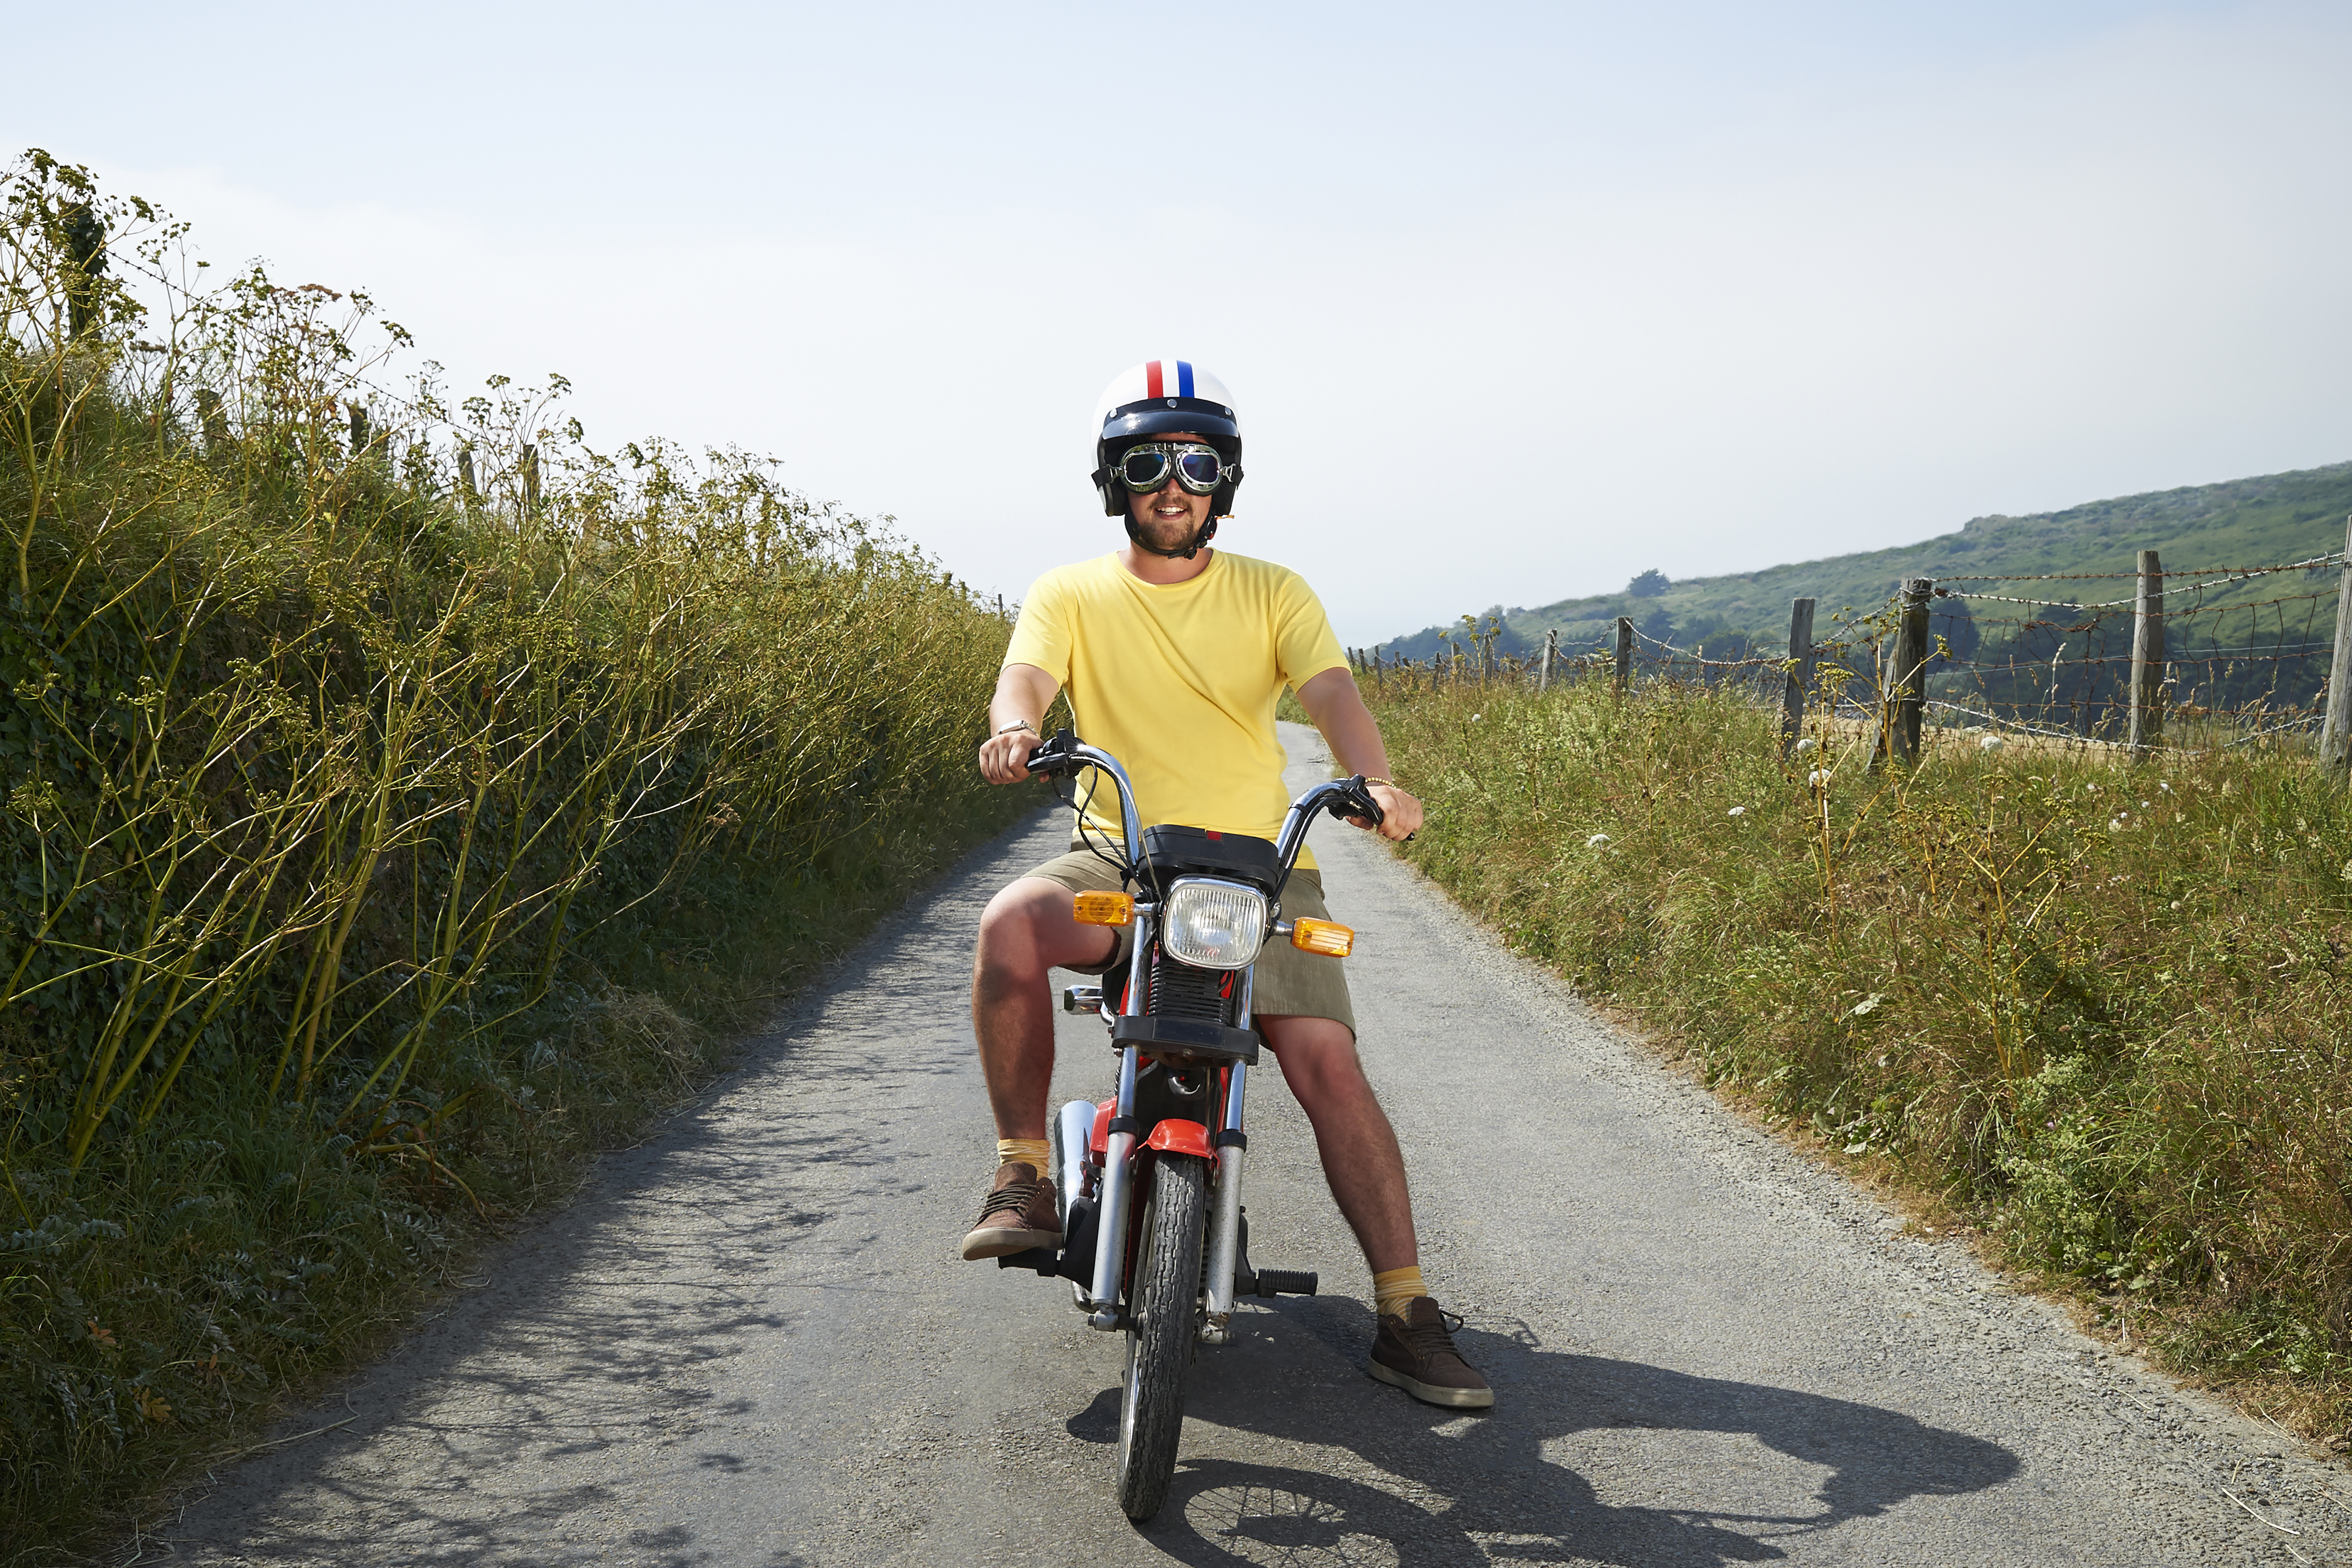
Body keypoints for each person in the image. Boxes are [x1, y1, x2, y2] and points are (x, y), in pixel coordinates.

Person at [958, 361, 1491, 1411]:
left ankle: (1405, 1307)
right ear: (1117, 479)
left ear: (1223, 481)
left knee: (1323, 1058)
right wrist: (1014, 726)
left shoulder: (1273, 590)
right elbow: (1025, 674)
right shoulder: (1069, 590)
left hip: (1262, 867)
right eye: (1147, 462)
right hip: (1122, 857)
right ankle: (1021, 1170)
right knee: (1008, 925)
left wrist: (1375, 778)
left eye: (1195, 464)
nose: (1172, 482)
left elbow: (1330, 691)